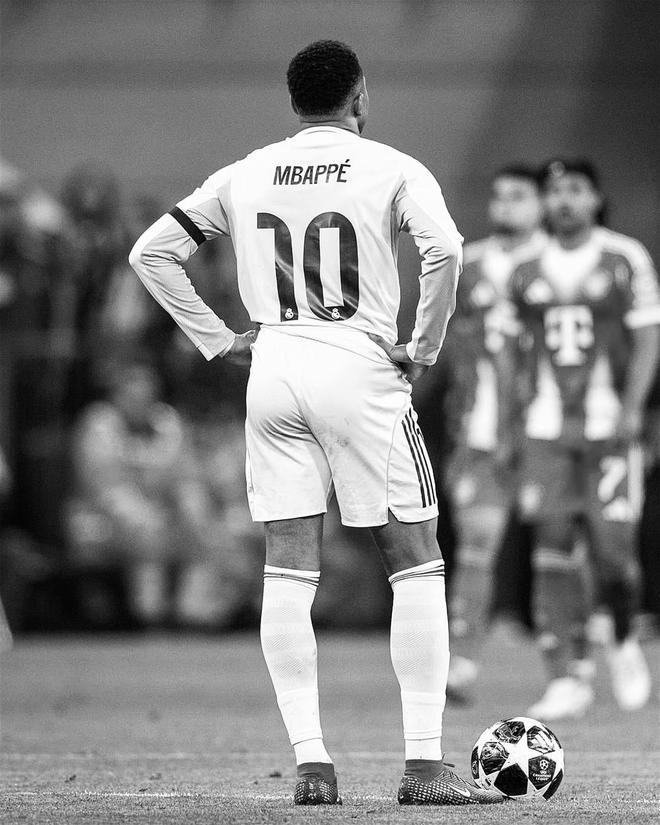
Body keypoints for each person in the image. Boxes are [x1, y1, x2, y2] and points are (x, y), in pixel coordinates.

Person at [130, 40, 503, 806]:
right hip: (359, 364)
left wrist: (218, 339)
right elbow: (444, 248)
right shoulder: (392, 167)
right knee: (415, 557)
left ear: (294, 100)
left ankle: (312, 763)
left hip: (274, 367)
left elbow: (152, 252)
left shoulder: (248, 171)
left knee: (289, 564)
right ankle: (424, 766)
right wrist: (424, 346)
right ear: (360, 96)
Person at [503, 158, 659, 720]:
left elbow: (648, 340)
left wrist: (634, 410)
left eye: (575, 190)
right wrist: (515, 419)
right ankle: (566, 675)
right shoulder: (524, 268)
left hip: (609, 427)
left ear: (595, 198)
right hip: (547, 430)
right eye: (555, 191)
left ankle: (622, 638)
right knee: (551, 546)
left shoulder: (624, 258)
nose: (564, 200)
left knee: (614, 552)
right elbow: (514, 351)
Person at [440, 165, 546, 702]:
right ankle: (461, 663)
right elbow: (446, 343)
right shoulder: (468, 265)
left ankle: (584, 660)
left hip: (551, 429)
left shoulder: (560, 263)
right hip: (482, 434)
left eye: (518, 196)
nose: (505, 205)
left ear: (541, 204)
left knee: (570, 549)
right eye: (499, 196)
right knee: (476, 545)